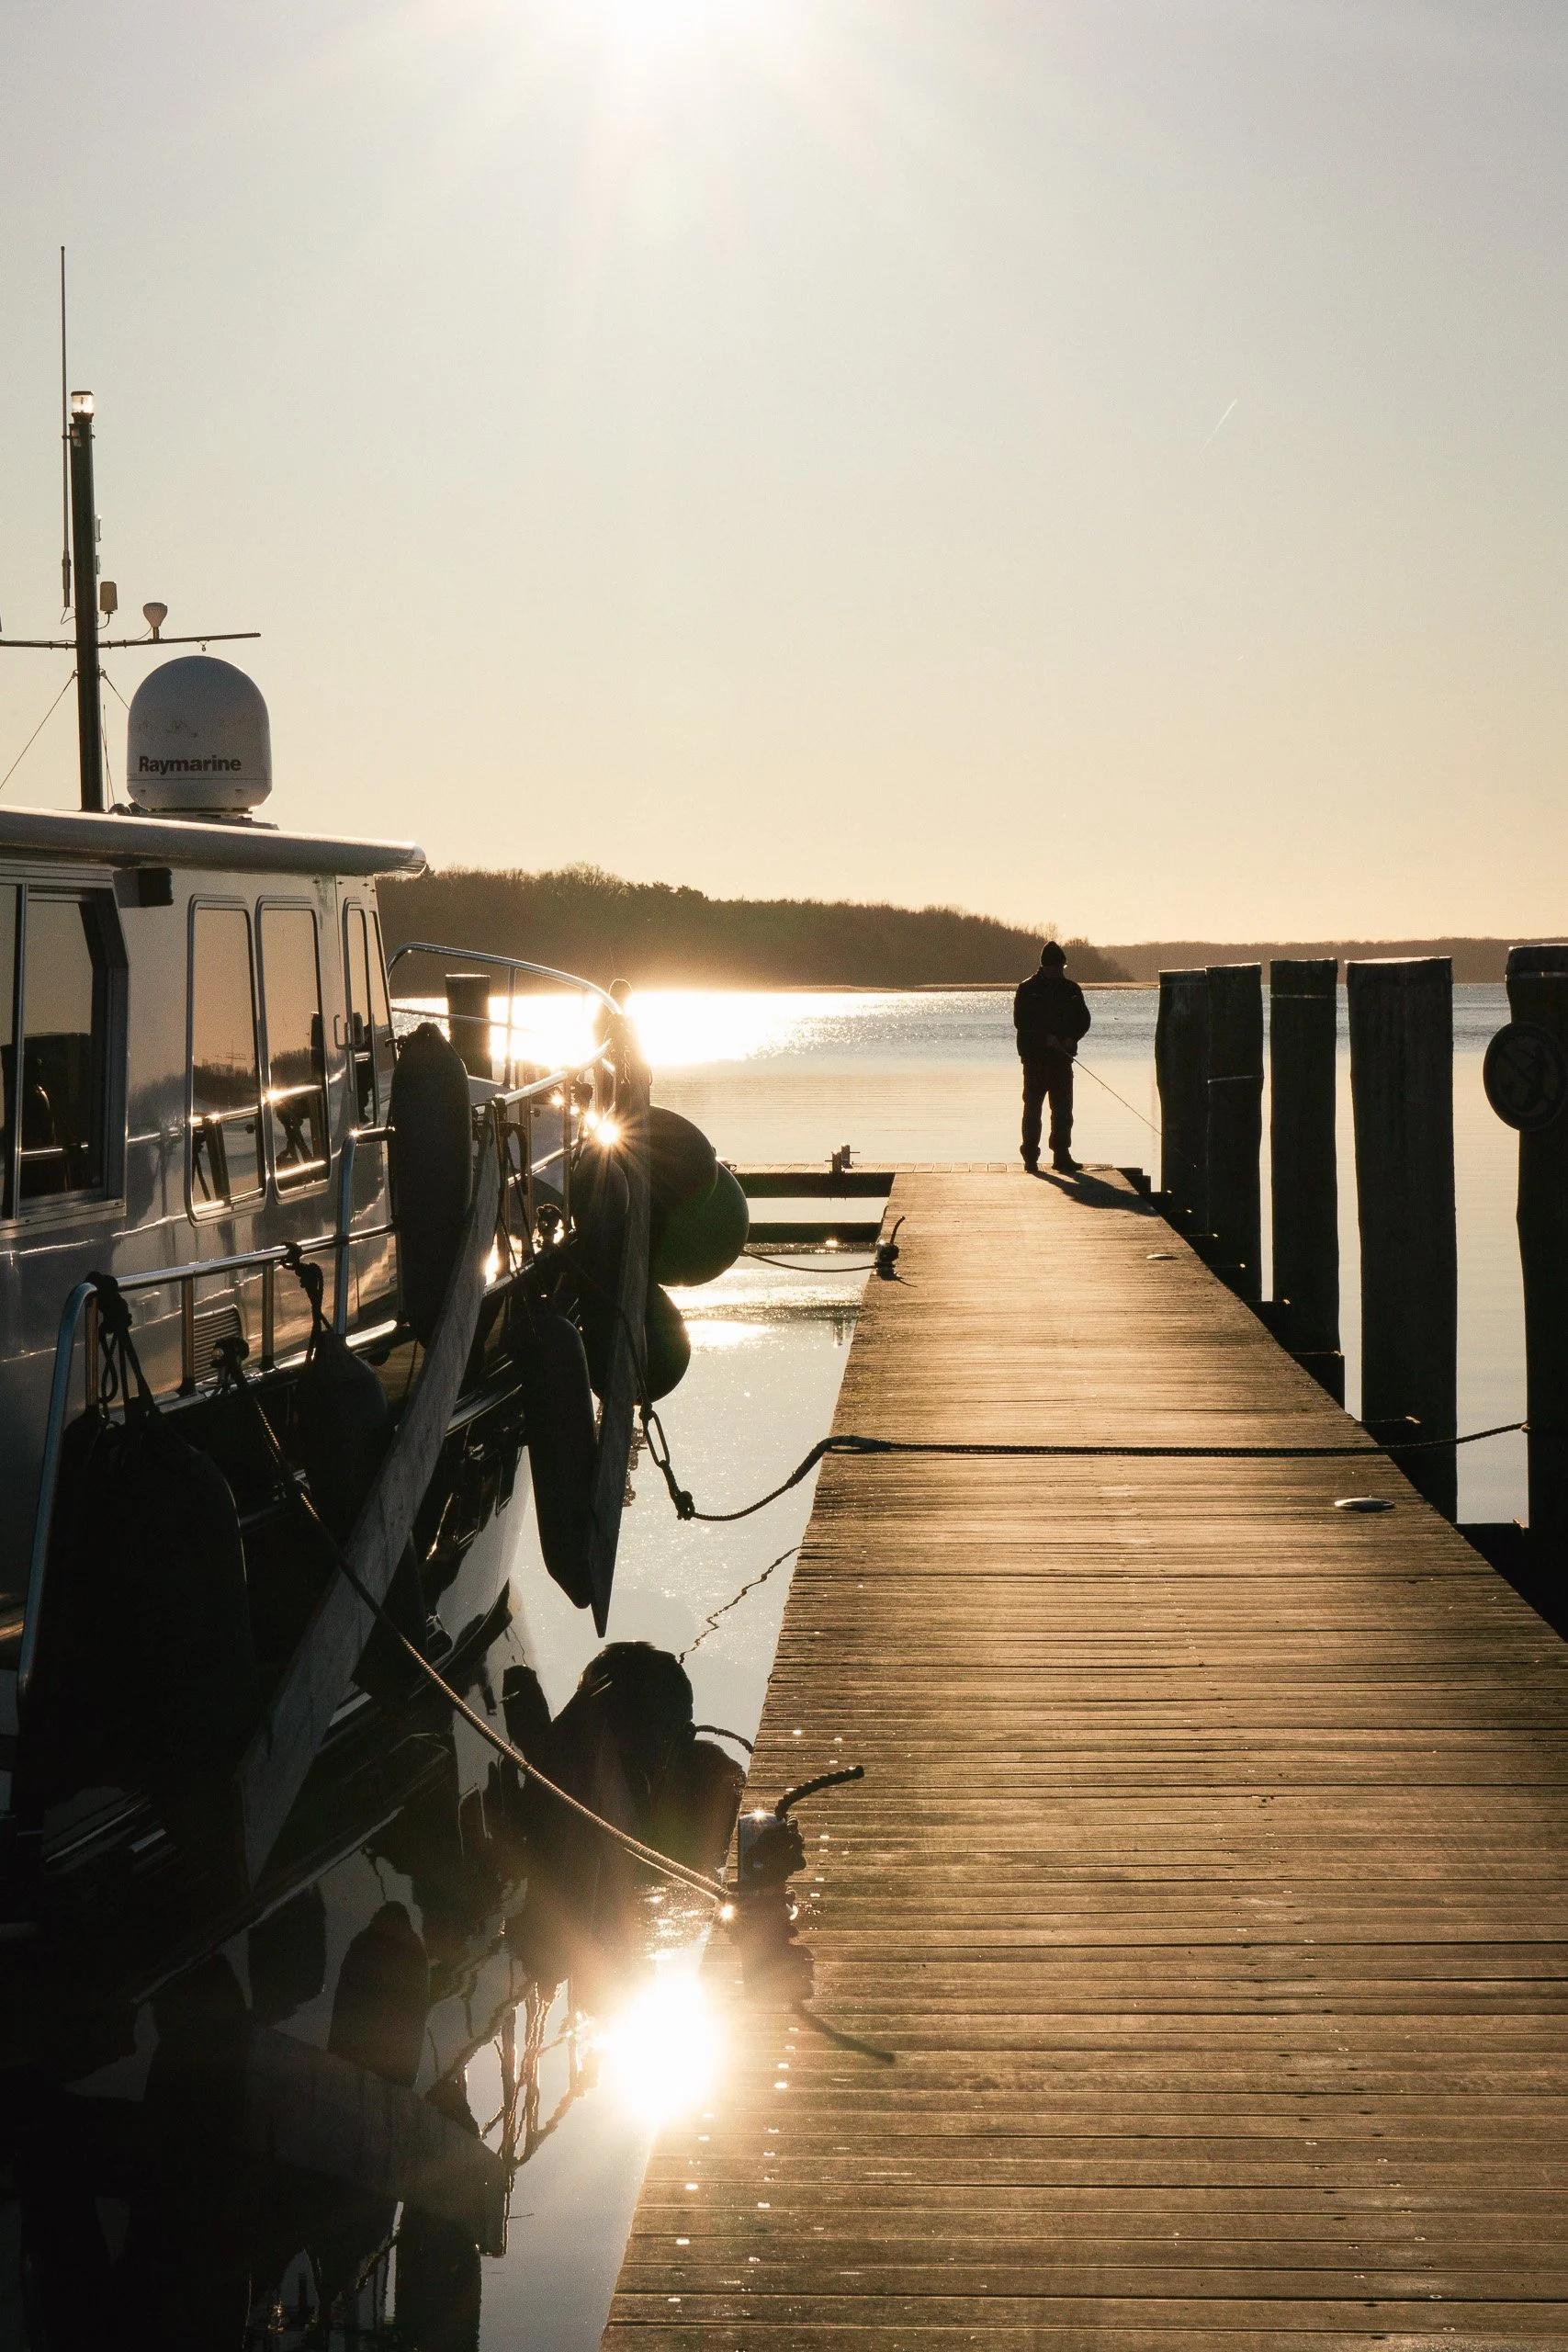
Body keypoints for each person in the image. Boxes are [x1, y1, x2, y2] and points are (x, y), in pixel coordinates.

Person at [1012, 940, 1090, 1175]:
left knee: (1063, 1110)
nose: (1059, 971)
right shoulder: (1027, 989)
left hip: (1061, 1060)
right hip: (1035, 1060)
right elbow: (1021, 1022)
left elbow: (1083, 1020)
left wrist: (1071, 1038)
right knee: (1033, 1109)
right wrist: (1045, 1037)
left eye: (1062, 968)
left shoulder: (1072, 990)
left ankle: (1062, 1155)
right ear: (1045, 966)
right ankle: (1030, 1158)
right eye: (1056, 967)